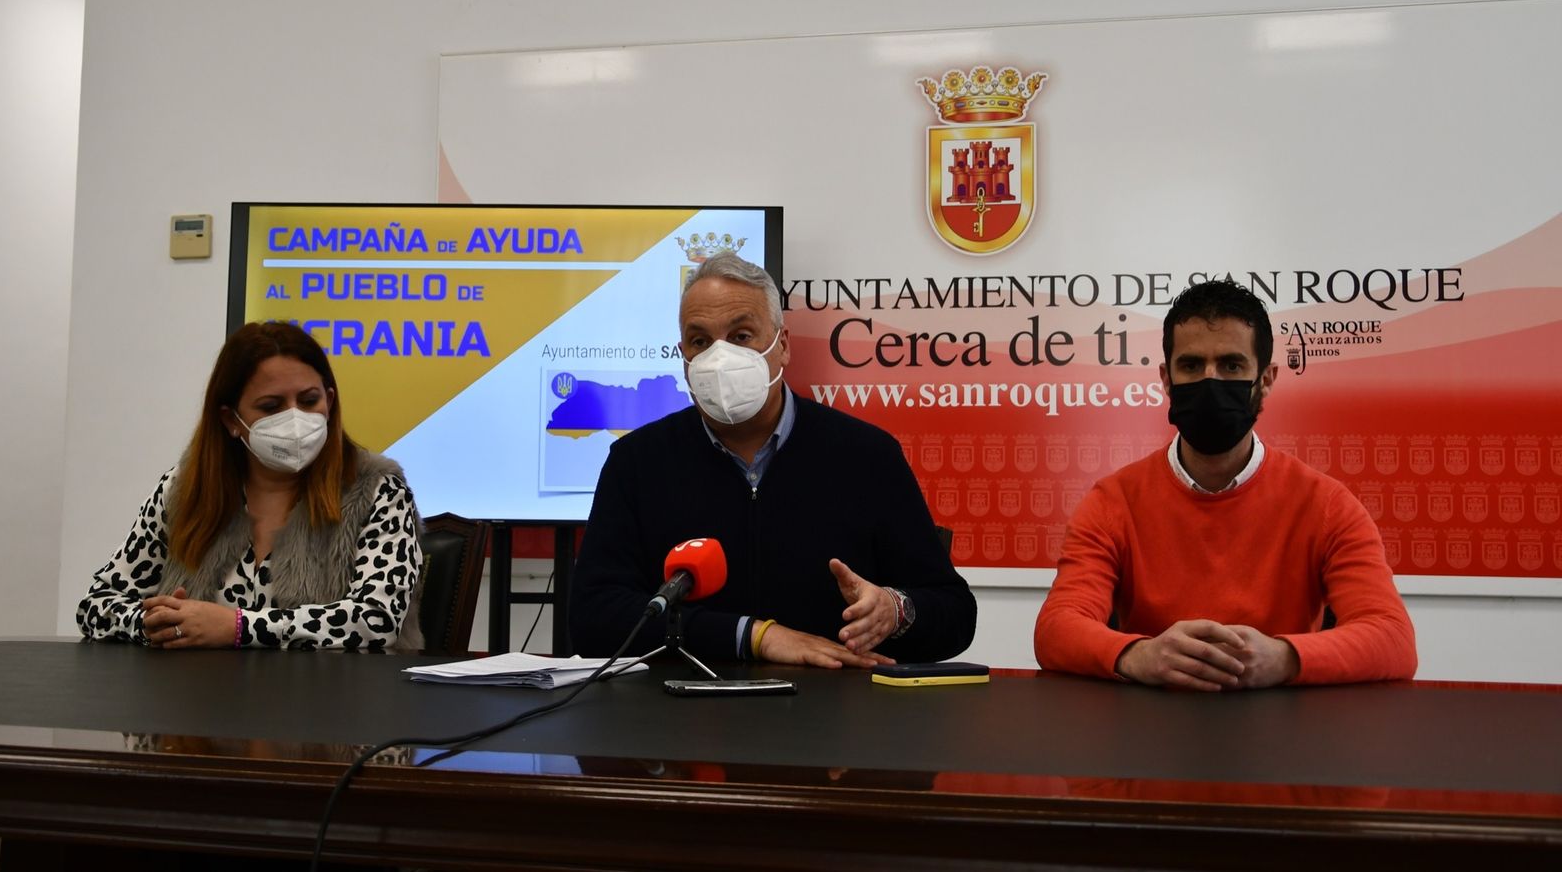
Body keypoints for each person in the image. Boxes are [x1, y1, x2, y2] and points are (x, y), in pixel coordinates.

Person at [570, 252, 976, 667]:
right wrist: (752, 636)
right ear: (684, 357)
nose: (719, 358)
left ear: (782, 346)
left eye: (742, 336)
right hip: (681, 718)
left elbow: (955, 614)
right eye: (700, 341)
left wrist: (895, 611)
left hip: (833, 716)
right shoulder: (637, 462)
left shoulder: (867, 456)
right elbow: (592, 619)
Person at [1033, 279, 1416, 689]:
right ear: (1166, 378)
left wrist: (1284, 658)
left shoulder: (1327, 505)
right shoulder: (1113, 502)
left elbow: (1393, 639)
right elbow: (1056, 628)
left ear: (1266, 379)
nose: (1210, 381)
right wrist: (1139, 654)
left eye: (1232, 366)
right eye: (1192, 365)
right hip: (1149, 732)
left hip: (1286, 734)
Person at [76, 321, 424, 651]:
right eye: (271, 407)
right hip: (197, 702)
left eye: (309, 400)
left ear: (329, 402)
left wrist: (239, 627)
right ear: (231, 420)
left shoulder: (379, 490)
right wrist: (155, 623)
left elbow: (376, 619)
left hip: (330, 704)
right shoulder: (183, 492)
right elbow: (96, 606)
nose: (295, 418)